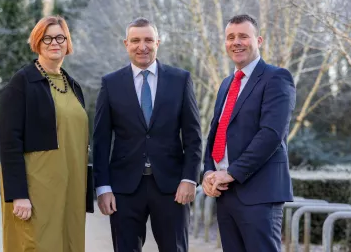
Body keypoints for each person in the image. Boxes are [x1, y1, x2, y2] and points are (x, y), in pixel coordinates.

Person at [93, 17, 202, 252]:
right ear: (126, 44)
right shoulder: (110, 83)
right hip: (124, 188)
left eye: (148, 40)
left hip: (173, 187)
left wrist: (190, 178)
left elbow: (193, 136)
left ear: (158, 42)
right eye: (135, 40)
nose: (142, 46)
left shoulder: (180, 80)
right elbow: (101, 140)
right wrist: (103, 188)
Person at [0, 15, 93, 252]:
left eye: (60, 37)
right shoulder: (22, 82)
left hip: (71, 188)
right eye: (47, 37)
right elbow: (9, 142)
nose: (54, 43)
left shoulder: (73, 86)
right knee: (37, 245)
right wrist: (18, 194)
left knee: (70, 244)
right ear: (37, 42)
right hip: (37, 189)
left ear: (67, 42)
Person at [202, 14, 296, 252]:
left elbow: (271, 134)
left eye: (244, 36)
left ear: (259, 40)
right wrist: (208, 172)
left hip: (259, 193)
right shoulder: (226, 83)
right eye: (230, 37)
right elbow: (217, 132)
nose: (237, 42)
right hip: (225, 192)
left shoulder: (276, 78)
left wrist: (232, 172)